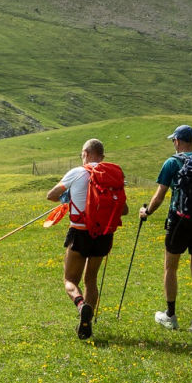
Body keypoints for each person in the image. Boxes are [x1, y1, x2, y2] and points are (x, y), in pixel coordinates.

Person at [46, 138, 127, 340]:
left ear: (86, 153)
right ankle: (86, 322)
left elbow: (51, 195)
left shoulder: (77, 172)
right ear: (102, 156)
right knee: (91, 279)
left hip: (80, 232)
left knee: (69, 279)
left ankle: (81, 305)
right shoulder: (112, 175)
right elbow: (123, 209)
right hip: (104, 235)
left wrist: (68, 196)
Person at [137, 124, 192, 335]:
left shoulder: (172, 162)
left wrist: (147, 212)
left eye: (174, 140)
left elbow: (159, 195)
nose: (173, 143)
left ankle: (170, 315)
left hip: (179, 220)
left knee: (170, 267)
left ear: (178, 141)